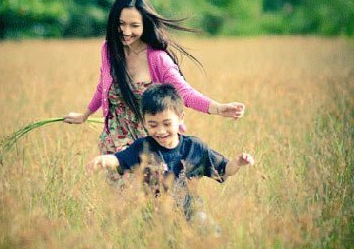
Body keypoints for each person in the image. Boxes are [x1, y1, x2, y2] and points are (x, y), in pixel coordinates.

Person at [65, 0, 245, 154]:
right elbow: (102, 86)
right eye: (121, 24)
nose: (126, 31)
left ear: (145, 25)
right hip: (114, 143)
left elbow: (184, 93)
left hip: (152, 141)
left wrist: (218, 108)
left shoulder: (158, 59)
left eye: (134, 25)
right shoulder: (109, 50)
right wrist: (85, 115)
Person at [85, 83, 254, 219]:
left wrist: (237, 163)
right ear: (144, 121)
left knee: (207, 228)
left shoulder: (195, 147)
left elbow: (224, 170)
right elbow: (119, 159)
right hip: (154, 217)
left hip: (192, 213)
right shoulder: (143, 147)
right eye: (152, 125)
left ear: (180, 118)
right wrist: (103, 159)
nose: (160, 131)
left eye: (167, 124)